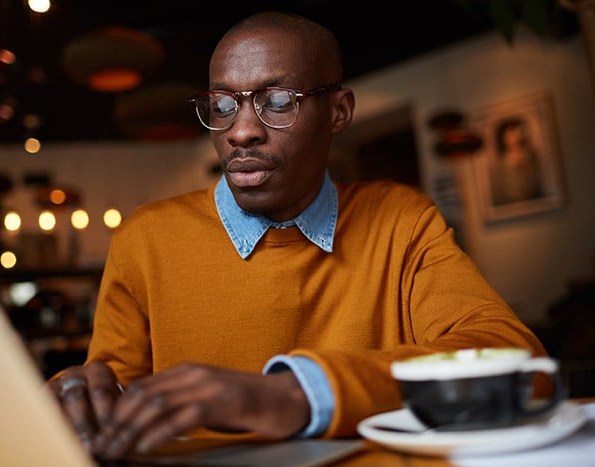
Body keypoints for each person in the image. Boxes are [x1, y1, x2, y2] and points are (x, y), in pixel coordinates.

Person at [47, 11, 549, 460]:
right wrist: (74, 403)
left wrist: (296, 394)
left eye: (278, 101)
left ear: (339, 112)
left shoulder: (401, 220)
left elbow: (513, 358)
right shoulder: (144, 239)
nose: (241, 131)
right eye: (223, 105)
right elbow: (112, 402)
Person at [490, 116, 544, 206]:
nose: (512, 138)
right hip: (510, 200)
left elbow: (535, 177)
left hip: (530, 198)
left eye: (513, 134)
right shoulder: (503, 159)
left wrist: (524, 165)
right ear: (503, 138)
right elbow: (503, 184)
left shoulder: (528, 153)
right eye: (508, 135)